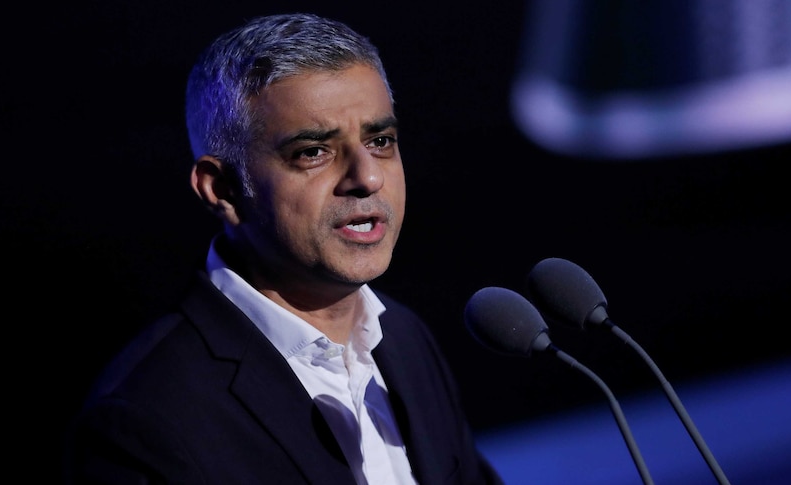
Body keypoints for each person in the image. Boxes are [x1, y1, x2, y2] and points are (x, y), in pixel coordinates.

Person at [64, 12, 504, 485]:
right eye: (313, 151)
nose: (368, 178)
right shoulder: (145, 418)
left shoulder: (405, 339)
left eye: (380, 141)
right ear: (223, 189)